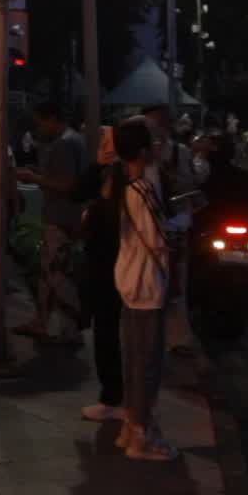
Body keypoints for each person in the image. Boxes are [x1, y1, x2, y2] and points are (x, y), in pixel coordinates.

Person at [114, 117, 177, 461]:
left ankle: (130, 427)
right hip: (146, 282)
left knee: (133, 358)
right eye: (153, 142)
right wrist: (184, 220)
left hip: (128, 279)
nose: (158, 146)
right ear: (142, 150)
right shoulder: (142, 189)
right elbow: (159, 237)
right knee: (147, 362)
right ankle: (141, 434)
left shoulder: (124, 183)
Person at [12, 102, 86, 345]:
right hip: (65, 216)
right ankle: (41, 321)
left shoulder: (64, 143)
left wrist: (33, 178)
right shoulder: (74, 139)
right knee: (49, 272)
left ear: (52, 118)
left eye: (40, 122)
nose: (38, 128)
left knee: (58, 274)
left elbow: (67, 184)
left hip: (61, 217)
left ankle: (71, 328)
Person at [72, 124, 126, 423]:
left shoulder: (132, 178)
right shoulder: (105, 173)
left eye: (108, 140)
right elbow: (78, 192)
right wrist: (99, 165)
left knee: (116, 333)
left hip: (119, 267)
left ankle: (118, 397)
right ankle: (113, 395)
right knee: (105, 330)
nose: (102, 144)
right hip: (102, 266)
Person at [143, 104, 199, 357]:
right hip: (145, 229)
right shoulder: (138, 154)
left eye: (154, 123)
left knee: (175, 285)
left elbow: (189, 188)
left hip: (173, 225)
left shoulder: (180, 152)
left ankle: (178, 339)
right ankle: (153, 336)